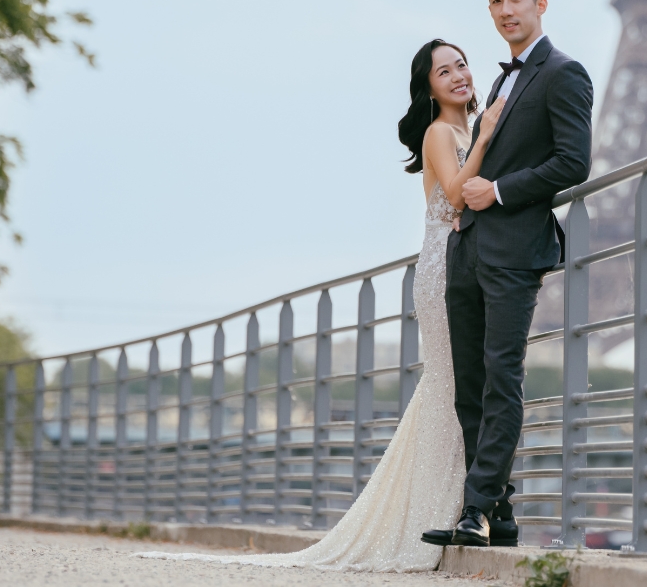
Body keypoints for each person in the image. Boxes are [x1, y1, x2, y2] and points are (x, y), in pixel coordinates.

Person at [138, 39, 505, 571]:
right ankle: (448, 512)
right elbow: (453, 189)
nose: (457, 76)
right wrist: (489, 135)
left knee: (456, 386)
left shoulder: (467, 131)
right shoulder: (440, 132)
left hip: (463, 266)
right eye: (443, 71)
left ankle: (457, 508)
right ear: (427, 87)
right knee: (452, 385)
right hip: (441, 272)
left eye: (462, 65)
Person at [423, 0, 593, 548]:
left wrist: (496, 191)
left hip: (515, 248)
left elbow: (574, 162)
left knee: (501, 378)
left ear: (541, 4)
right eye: (495, 1)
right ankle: (500, 510)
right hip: (468, 249)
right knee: (471, 384)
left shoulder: (564, 73)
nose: (505, 10)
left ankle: (474, 512)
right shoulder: (499, 81)